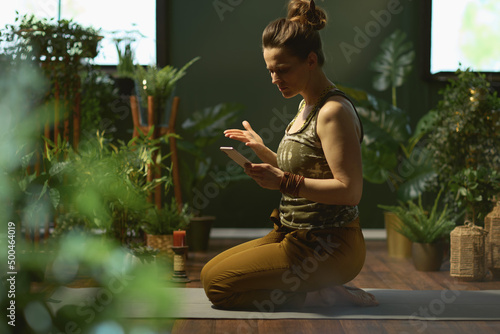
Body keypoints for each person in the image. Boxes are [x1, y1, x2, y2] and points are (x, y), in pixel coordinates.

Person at [200, 0, 378, 310]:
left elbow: (350, 191)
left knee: (217, 285)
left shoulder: (332, 112)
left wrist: (283, 181)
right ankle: (318, 290)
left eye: (282, 70)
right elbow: (306, 169)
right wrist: (262, 151)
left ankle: (317, 292)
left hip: (329, 246)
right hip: (294, 234)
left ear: (311, 60)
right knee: (208, 273)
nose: (274, 79)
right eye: (270, 70)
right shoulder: (306, 104)